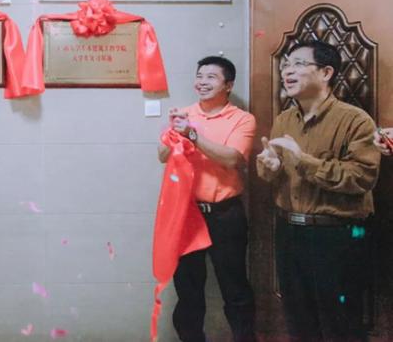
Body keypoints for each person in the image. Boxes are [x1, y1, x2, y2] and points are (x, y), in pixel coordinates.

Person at [257, 41, 380, 342]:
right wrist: (270, 167)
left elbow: (361, 177)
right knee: (299, 322)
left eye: (299, 64)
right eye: (286, 64)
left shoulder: (355, 120)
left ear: (326, 72)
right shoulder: (284, 119)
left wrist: (303, 161)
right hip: (289, 233)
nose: (287, 71)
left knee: (342, 325)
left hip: (337, 235)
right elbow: (273, 173)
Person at [159, 56, 257, 342]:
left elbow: (232, 159)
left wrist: (192, 134)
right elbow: (162, 156)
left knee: (234, 287)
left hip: (226, 214)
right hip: (187, 213)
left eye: (211, 77)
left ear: (228, 85)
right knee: (188, 290)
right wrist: (174, 134)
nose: (202, 82)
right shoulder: (185, 114)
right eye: (200, 76)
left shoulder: (242, 119)